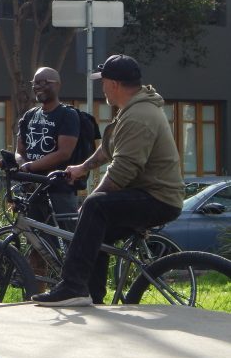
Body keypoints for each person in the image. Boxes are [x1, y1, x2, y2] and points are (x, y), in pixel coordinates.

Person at [32, 54, 183, 306]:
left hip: (158, 198)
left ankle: (72, 287)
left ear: (113, 84)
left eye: (103, 82)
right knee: (96, 231)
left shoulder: (138, 116)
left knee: (94, 208)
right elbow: (109, 149)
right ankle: (92, 296)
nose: (101, 88)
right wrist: (82, 167)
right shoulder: (132, 109)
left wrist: (92, 200)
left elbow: (122, 171)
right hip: (149, 193)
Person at [0, 67, 80, 227]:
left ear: (57, 85)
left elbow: (64, 152)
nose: (37, 87)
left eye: (43, 82)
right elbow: (20, 151)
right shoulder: (29, 116)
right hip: (32, 189)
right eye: (35, 83)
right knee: (35, 242)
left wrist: (30, 167)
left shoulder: (67, 115)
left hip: (59, 189)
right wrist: (20, 163)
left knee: (69, 240)